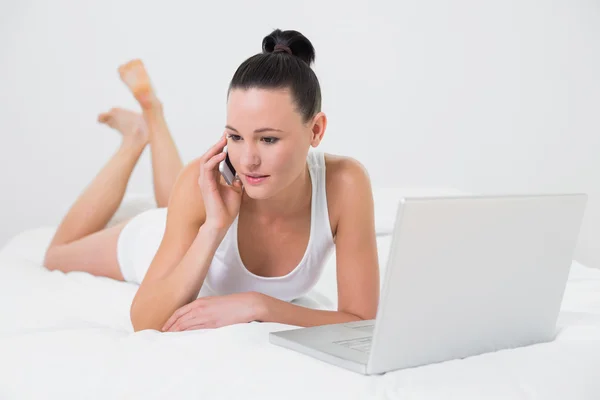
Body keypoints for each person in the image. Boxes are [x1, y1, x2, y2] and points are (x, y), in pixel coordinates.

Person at [43, 29, 380, 332]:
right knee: (57, 256)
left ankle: (151, 119)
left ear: (316, 130)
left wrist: (258, 305)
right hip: (157, 240)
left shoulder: (345, 185)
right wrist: (214, 226)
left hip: (188, 216)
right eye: (235, 137)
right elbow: (145, 320)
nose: (247, 160)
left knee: (176, 194)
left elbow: (360, 320)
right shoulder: (201, 183)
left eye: (268, 140)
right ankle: (136, 137)